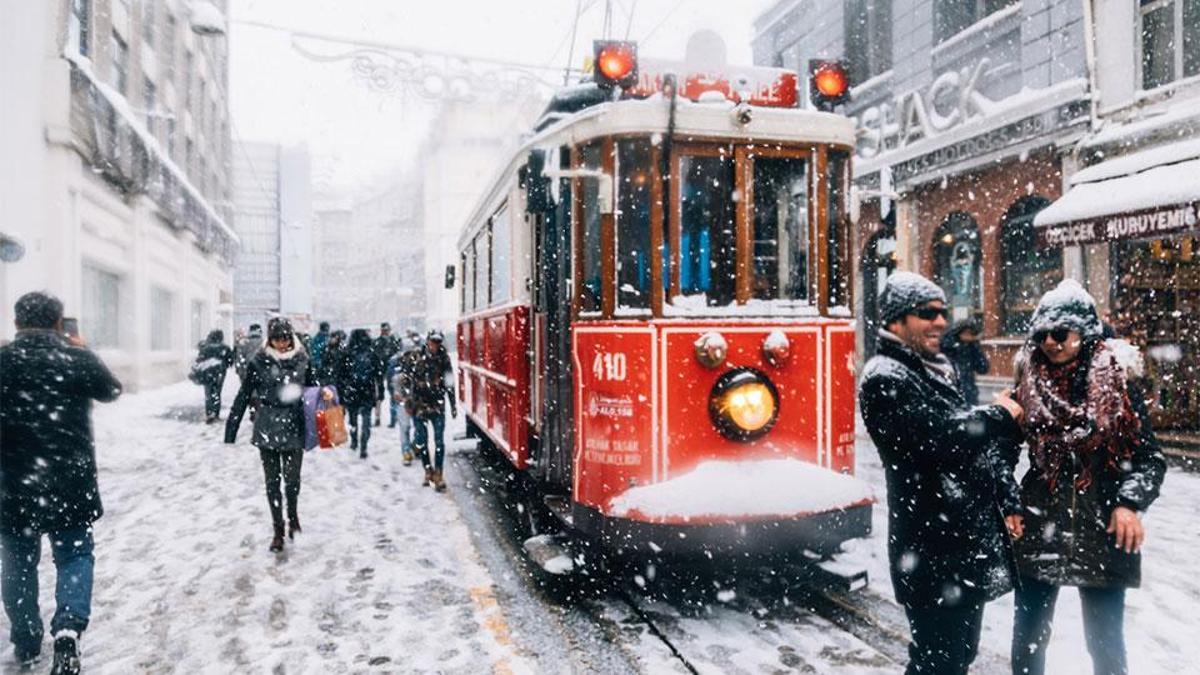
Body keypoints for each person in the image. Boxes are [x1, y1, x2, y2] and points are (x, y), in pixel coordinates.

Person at [857, 272, 1024, 675]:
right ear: (896, 321)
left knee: (957, 657)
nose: (940, 322)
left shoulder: (933, 368)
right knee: (938, 661)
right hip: (931, 549)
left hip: (958, 547)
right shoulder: (885, 376)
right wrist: (998, 415)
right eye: (926, 313)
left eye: (943, 313)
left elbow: (969, 447)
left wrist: (1007, 498)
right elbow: (938, 438)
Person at [1008, 279, 1166, 675]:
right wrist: (1009, 503)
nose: (1051, 343)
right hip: (1039, 526)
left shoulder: (1118, 387)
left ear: (1085, 333)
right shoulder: (1026, 383)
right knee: (1028, 643)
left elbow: (1150, 459)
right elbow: (999, 456)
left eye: (1061, 333)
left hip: (1102, 533)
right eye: (1042, 334)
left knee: (1106, 647)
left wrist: (1128, 503)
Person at [0, 291, 122, 673]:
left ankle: (25, 638)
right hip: (70, 481)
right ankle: (68, 630)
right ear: (58, 322)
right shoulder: (75, 358)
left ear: (17, 323)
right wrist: (79, 352)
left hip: (14, 482)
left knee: (18, 560)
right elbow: (112, 390)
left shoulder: (2, 361)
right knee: (74, 555)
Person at [225, 318, 328, 552]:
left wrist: (324, 402)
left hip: (294, 427)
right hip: (267, 428)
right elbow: (244, 395)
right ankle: (277, 530)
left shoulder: (303, 360)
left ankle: (293, 518)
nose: (282, 344)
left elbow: (313, 391)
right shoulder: (259, 362)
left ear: (291, 339)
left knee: (292, 482)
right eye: (277, 339)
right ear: (270, 340)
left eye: (285, 339)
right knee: (272, 483)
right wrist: (231, 429)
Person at [402, 329, 457, 491]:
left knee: (439, 441)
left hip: (437, 406)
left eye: (438, 342)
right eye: (433, 341)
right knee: (421, 441)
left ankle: (438, 473)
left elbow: (449, 384)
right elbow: (405, 379)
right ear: (428, 341)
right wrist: (407, 399)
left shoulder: (444, 359)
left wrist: (453, 405)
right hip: (419, 405)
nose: (435, 345)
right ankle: (428, 470)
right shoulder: (415, 356)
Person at [336, 328, 383, 459]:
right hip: (367, 391)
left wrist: (341, 394)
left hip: (352, 392)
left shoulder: (347, 353)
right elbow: (378, 375)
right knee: (366, 420)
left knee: (353, 419)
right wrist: (381, 392)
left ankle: (354, 440)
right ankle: (364, 444)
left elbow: (340, 376)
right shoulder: (372, 353)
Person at [939, 319, 990, 405]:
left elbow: (983, 368)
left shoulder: (971, 348)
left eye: (970, 333)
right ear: (958, 333)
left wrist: (975, 346)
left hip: (969, 393)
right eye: (965, 332)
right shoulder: (948, 347)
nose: (968, 336)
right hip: (951, 392)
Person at [194, 329, 234, 423]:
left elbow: (199, 360)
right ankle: (216, 413)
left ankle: (209, 413)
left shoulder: (206, 348)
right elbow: (230, 361)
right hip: (220, 373)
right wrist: (224, 366)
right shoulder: (225, 348)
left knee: (208, 393)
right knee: (217, 392)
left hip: (207, 373)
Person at [387, 339, 416, 466]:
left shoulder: (418, 361)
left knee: (414, 427)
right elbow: (391, 380)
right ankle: (406, 451)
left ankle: (412, 448)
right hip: (403, 398)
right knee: (406, 427)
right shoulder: (396, 363)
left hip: (413, 399)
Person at [373, 322, 402, 427]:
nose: (386, 332)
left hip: (386, 370)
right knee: (380, 396)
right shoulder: (389, 342)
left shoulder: (385, 342)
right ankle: (382, 418)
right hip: (383, 371)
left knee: (389, 395)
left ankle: (391, 418)